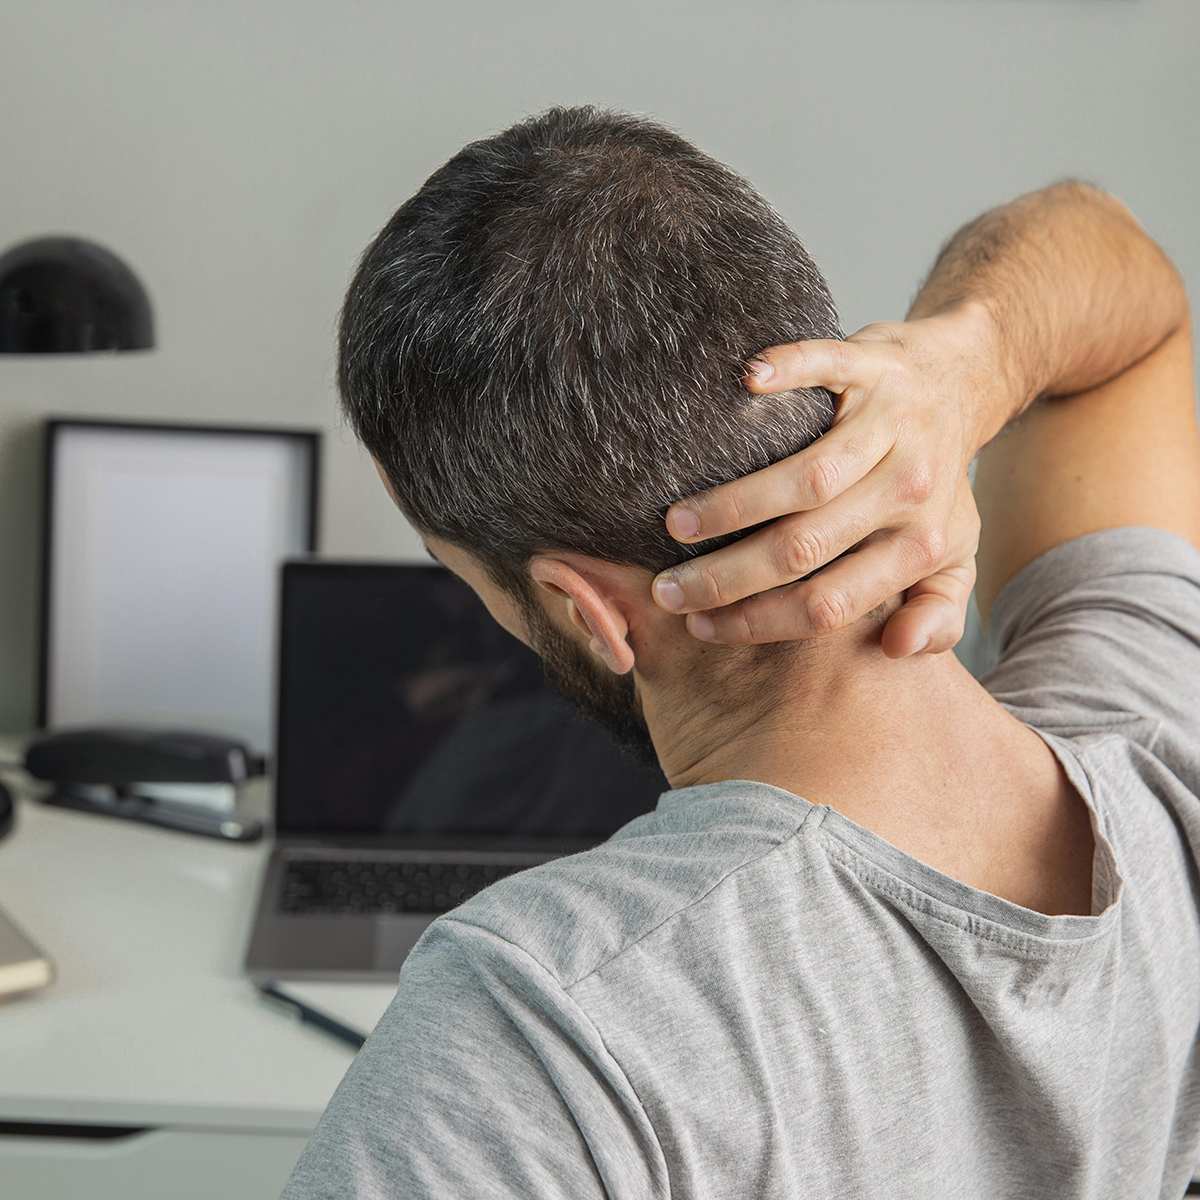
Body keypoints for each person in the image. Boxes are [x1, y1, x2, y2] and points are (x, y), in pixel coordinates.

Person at [282, 107, 1200, 1198]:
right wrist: (965, 366)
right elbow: (1123, 285)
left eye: (470, 578)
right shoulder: (1158, 733)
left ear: (587, 609)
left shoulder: (541, 1034)